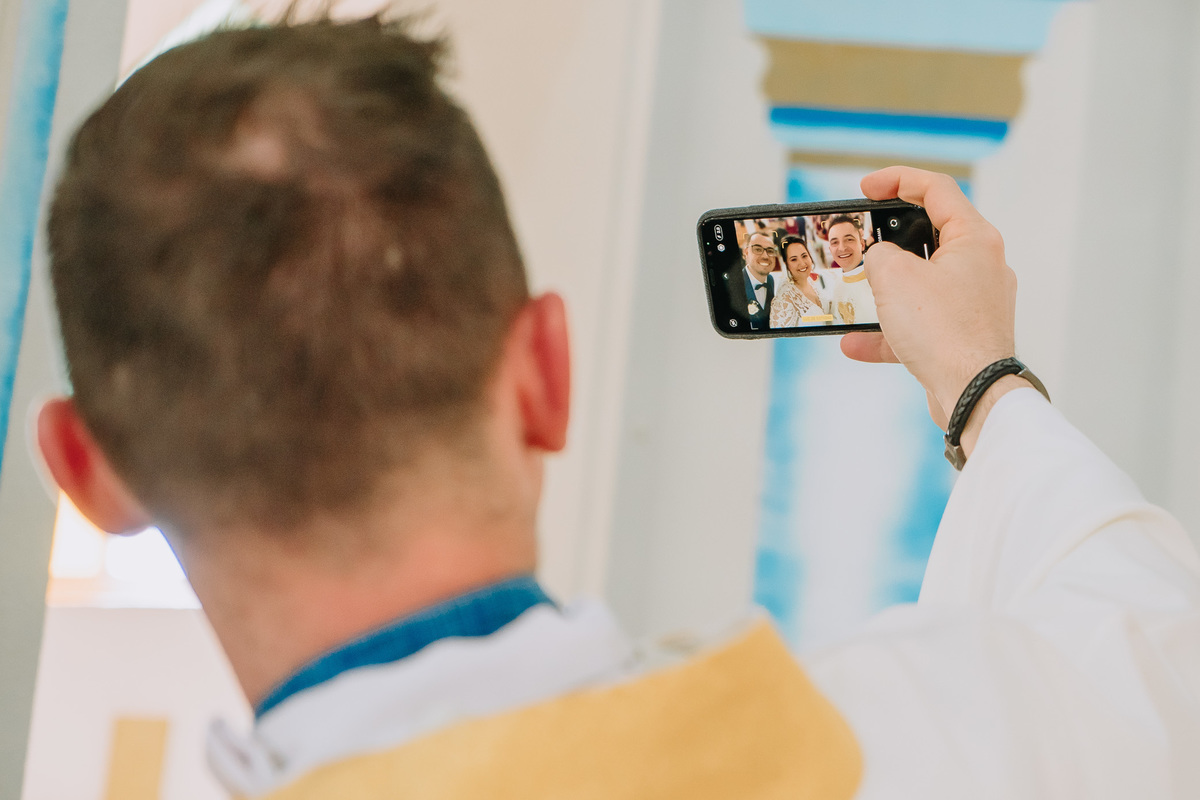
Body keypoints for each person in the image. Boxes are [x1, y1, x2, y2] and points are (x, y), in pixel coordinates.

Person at [35, 11, 1200, 800]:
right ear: (548, 372)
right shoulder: (908, 740)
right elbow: (1149, 647)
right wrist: (981, 378)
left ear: (90, 471)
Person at [827, 214, 879, 325]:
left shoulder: (878, 279)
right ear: (830, 250)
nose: (842, 248)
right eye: (835, 242)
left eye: (849, 239)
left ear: (862, 244)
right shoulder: (837, 285)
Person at [769, 234, 831, 327]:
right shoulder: (784, 299)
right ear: (786, 264)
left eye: (804, 256)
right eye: (794, 259)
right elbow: (781, 338)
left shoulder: (810, 280)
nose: (802, 263)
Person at [724, 229, 779, 331]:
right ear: (745, 253)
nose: (765, 256)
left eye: (770, 251)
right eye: (758, 249)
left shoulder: (770, 280)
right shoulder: (734, 284)